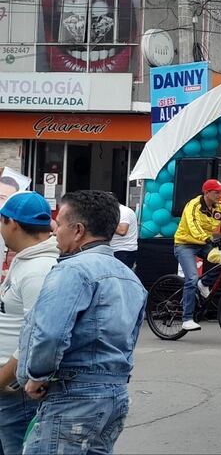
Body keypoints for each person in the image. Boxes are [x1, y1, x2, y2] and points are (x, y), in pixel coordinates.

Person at [19, 190, 146, 454]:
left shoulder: (72, 270)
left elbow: (51, 334)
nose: (55, 232)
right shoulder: (129, 277)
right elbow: (130, 339)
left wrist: (37, 375)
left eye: (60, 224)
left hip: (73, 397)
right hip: (114, 394)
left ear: (78, 230)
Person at [0, 192, 57, 454]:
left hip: (14, 388)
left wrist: (3, 379)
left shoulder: (38, 269)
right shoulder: (26, 259)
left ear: (12, 223)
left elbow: (37, 335)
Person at [173, 179, 221, 332]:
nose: (220, 194)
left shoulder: (219, 208)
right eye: (217, 192)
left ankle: (204, 284)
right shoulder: (193, 206)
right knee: (191, 278)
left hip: (204, 243)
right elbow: (193, 226)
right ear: (206, 192)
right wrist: (207, 238)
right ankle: (187, 318)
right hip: (185, 244)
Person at [111, 199, 138, 269]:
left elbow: (122, 231)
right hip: (116, 249)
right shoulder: (115, 212)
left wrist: (106, 220)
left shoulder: (123, 212)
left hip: (123, 250)